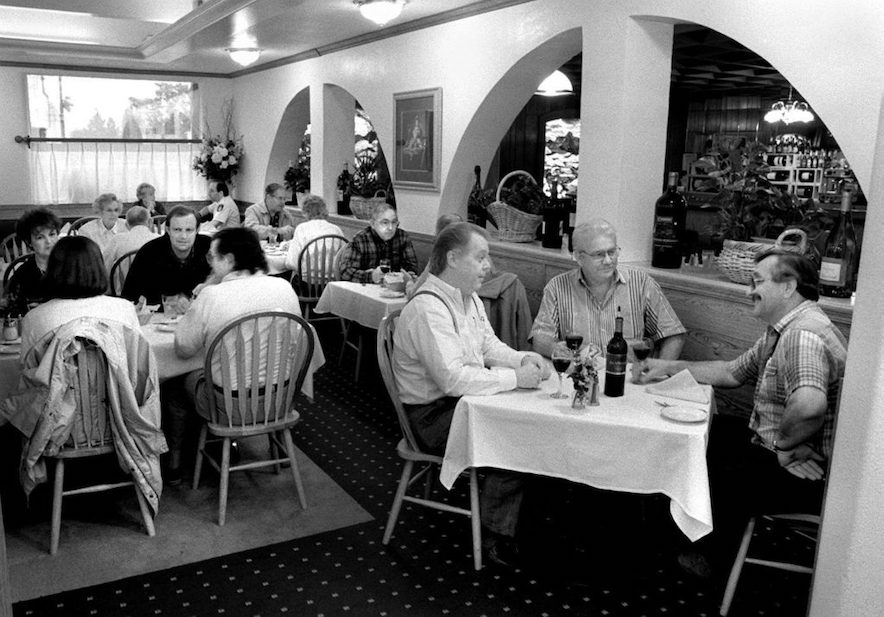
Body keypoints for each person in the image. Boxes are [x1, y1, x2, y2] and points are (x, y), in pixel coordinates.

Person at [639, 249, 847, 578]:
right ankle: (686, 540)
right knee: (701, 435)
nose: (750, 290)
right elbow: (731, 372)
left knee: (701, 461)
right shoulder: (785, 327)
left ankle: (706, 559)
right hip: (790, 452)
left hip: (808, 473)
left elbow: (809, 406)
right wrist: (668, 366)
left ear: (789, 287)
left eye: (758, 281)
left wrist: (783, 447)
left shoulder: (801, 336)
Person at [392, 222, 548, 566]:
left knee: (534, 422)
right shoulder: (428, 308)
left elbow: (488, 345)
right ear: (452, 258)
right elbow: (453, 379)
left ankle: (518, 519)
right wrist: (514, 379)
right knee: (517, 438)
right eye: (480, 258)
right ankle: (497, 535)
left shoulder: (467, 297)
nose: (488, 266)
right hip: (430, 417)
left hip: (458, 402)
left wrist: (523, 358)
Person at [4, 235, 165, 503]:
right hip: (121, 420)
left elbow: (30, 378)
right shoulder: (124, 310)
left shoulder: (36, 318)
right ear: (99, 269)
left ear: (54, 270)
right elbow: (137, 373)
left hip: (58, 429)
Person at [163, 227, 303, 483]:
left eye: (212, 258)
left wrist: (207, 291)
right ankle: (273, 449)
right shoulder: (284, 287)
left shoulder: (212, 296)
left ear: (228, 260)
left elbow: (183, 348)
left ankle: (174, 462)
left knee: (174, 386)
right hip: (280, 399)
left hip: (230, 407)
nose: (210, 264)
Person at [530, 218, 686, 358]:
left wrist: (659, 373)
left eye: (612, 252)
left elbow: (673, 334)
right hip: (581, 377)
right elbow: (540, 336)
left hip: (629, 379)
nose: (608, 260)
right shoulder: (557, 287)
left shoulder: (641, 283)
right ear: (578, 257)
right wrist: (555, 348)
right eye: (599, 254)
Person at [122, 205, 211, 306]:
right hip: (160, 316)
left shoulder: (210, 247)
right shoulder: (149, 252)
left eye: (189, 230)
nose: (183, 236)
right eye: (177, 230)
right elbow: (129, 295)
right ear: (168, 230)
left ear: (197, 229)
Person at [338, 202, 419, 283]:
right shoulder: (361, 239)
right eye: (385, 223)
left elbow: (412, 266)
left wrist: (409, 274)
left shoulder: (402, 237)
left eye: (394, 222)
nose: (390, 228)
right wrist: (371, 276)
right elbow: (346, 272)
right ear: (373, 224)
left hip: (394, 287)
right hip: (366, 288)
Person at [3, 207, 62, 316]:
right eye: (40, 237)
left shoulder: (71, 265)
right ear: (29, 242)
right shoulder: (22, 274)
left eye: (52, 234)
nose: (49, 242)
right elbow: (10, 310)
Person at [283, 194, 344, 273]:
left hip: (307, 280)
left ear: (305, 212)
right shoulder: (336, 229)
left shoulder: (302, 229)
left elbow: (291, 263)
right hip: (332, 280)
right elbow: (344, 257)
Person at [102, 205, 159, 273]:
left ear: (126, 225)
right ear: (150, 222)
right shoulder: (160, 240)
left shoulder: (117, 240)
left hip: (125, 283)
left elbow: (104, 266)